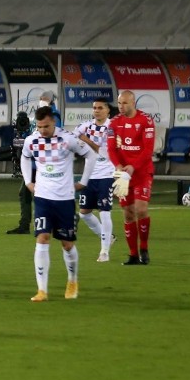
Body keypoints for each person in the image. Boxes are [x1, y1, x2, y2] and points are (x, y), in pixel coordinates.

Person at [22, 105, 96, 302]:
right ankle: (42, 290)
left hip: (64, 199)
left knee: (67, 243)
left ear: (53, 121)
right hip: (43, 198)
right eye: (39, 126)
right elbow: (25, 157)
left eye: (45, 126)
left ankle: (72, 280)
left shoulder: (68, 138)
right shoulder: (32, 140)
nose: (42, 130)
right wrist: (28, 181)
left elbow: (91, 155)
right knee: (42, 238)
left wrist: (83, 182)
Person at [106, 90, 156, 266]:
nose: (121, 106)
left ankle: (144, 248)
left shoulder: (145, 120)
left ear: (133, 103)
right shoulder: (114, 123)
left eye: (125, 103)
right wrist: (118, 167)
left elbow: (148, 150)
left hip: (142, 172)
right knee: (127, 214)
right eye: (119, 103)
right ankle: (133, 254)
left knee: (141, 209)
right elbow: (111, 149)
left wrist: (133, 167)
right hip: (122, 173)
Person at [72, 98, 117, 262]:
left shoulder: (112, 127)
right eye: (94, 108)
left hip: (107, 174)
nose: (96, 110)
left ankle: (104, 251)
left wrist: (86, 140)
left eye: (100, 108)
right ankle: (108, 237)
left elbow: (104, 152)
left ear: (107, 111)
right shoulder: (85, 125)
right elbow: (72, 139)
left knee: (105, 212)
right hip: (89, 175)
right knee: (84, 214)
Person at [0, 111, 34, 234]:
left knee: (35, 195)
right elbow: (19, 152)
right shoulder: (22, 134)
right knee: (25, 194)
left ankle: (26, 225)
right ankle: (25, 225)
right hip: (33, 168)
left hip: (37, 168)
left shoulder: (32, 133)